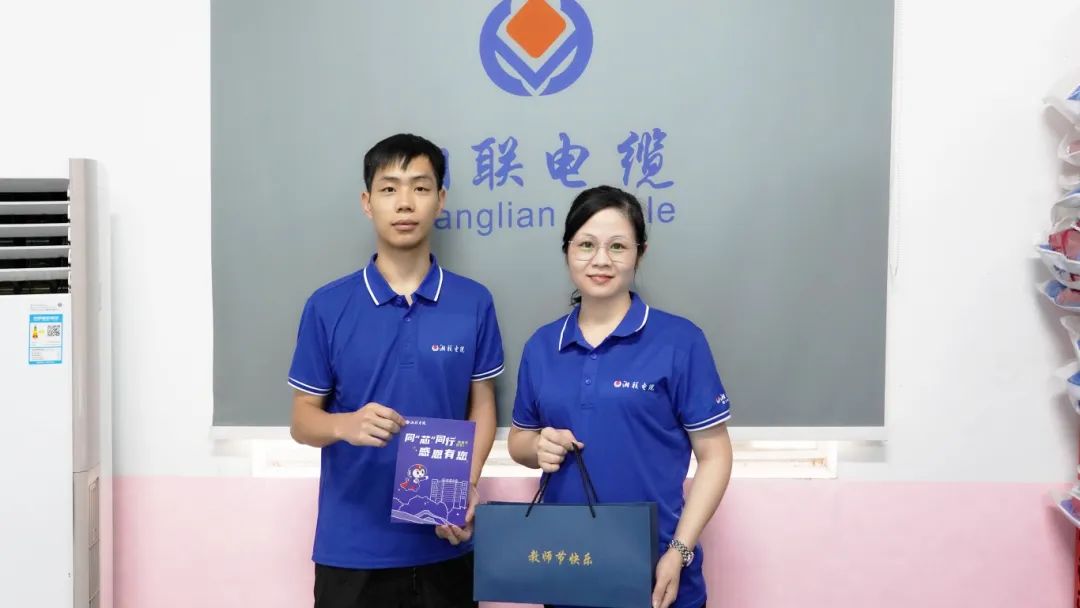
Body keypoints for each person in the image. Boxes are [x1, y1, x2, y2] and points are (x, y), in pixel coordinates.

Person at [288, 133, 504, 608]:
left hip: (445, 544)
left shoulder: (473, 302)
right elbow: (302, 420)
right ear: (367, 202)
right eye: (389, 188)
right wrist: (345, 425)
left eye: (420, 187)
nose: (405, 202)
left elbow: (482, 406)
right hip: (352, 550)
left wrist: (465, 486)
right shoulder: (328, 306)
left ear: (440, 199)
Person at [507, 185, 733, 608]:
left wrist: (679, 551)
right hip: (567, 570)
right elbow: (518, 440)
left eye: (617, 246)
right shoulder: (541, 346)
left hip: (657, 574)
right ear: (567, 250)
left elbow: (716, 455)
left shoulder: (680, 341)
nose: (601, 260)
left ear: (639, 253)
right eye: (586, 245)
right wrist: (537, 447)